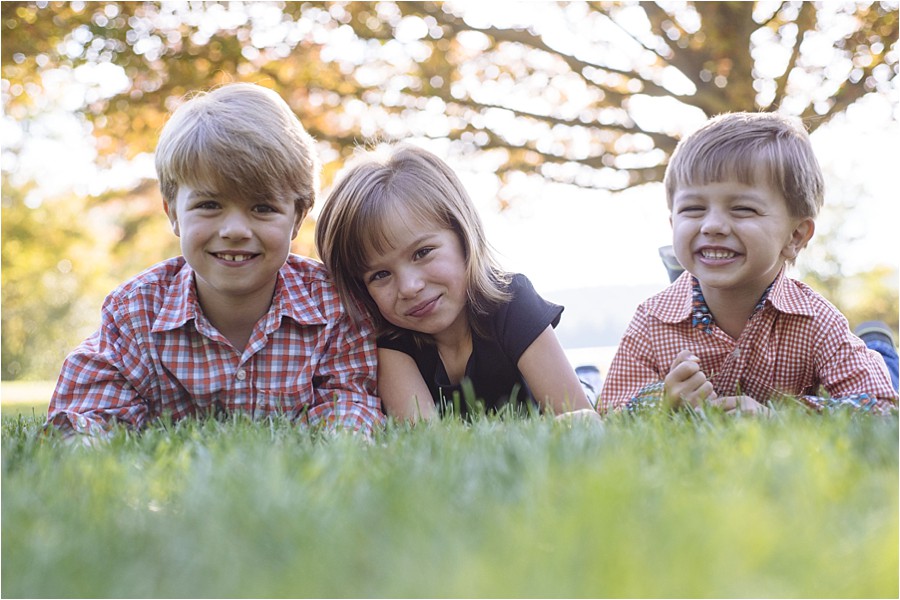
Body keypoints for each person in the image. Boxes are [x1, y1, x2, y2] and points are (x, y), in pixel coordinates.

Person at [47, 83, 383, 439]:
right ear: (172, 212)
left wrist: (338, 444)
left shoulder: (333, 306)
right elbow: (91, 413)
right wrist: (90, 440)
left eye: (263, 208)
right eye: (209, 205)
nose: (235, 230)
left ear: (297, 218)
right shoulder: (135, 312)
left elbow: (349, 404)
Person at [600, 112, 897, 415]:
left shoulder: (816, 321)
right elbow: (611, 411)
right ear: (672, 220)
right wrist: (662, 404)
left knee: (887, 369)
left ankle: (878, 345)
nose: (712, 225)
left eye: (743, 208)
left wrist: (779, 415)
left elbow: (881, 407)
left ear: (795, 235)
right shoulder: (652, 321)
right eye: (693, 208)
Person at [315, 144, 595, 422]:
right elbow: (426, 442)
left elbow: (579, 420)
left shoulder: (512, 302)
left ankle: (589, 377)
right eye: (380, 275)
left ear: (462, 235)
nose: (409, 287)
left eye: (422, 253)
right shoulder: (388, 340)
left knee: (587, 390)